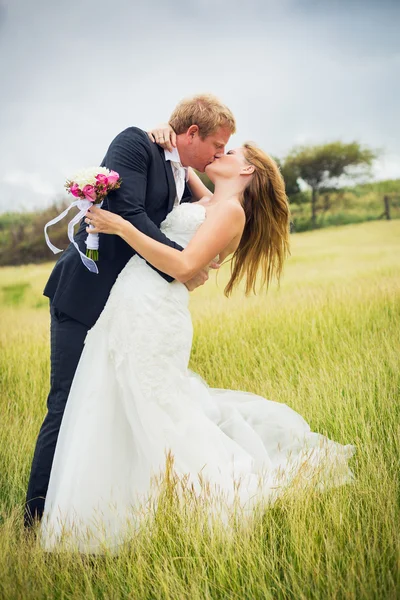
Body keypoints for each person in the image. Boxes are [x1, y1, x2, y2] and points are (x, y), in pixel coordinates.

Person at [39, 137, 356, 553]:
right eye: (220, 147)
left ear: (246, 172)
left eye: (231, 152)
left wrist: (121, 226)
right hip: (127, 303)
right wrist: (163, 132)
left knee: (155, 405)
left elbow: (185, 266)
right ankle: (114, 503)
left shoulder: (232, 213)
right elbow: (183, 164)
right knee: (111, 399)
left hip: (156, 311)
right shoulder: (213, 200)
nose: (219, 155)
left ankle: (189, 503)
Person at [24, 94, 236, 527]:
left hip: (128, 307)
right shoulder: (135, 143)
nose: (220, 154)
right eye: (217, 144)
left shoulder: (182, 168)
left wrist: (189, 262)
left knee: (110, 405)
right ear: (192, 133)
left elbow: (195, 200)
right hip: (85, 295)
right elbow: (125, 210)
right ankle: (34, 516)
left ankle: (107, 508)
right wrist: (181, 265)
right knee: (65, 404)